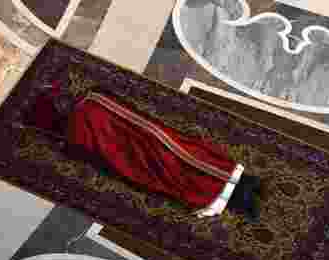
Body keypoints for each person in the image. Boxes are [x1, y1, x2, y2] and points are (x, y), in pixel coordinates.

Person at [22, 81, 262, 221]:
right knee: (167, 168)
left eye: (60, 99)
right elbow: (99, 155)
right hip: (128, 148)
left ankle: (240, 187)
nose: (63, 100)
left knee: (174, 154)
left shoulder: (90, 104)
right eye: (59, 101)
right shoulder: (83, 115)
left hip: (138, 135)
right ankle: (239, 192)